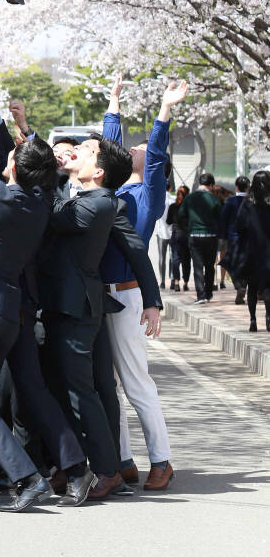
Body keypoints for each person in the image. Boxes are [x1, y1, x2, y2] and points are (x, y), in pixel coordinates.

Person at [0, 135, 88, 512]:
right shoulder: (41, 203)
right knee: (21, 390)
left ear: (12, 167)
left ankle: (27, 476)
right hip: (15, 309)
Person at [40, 134, 162, 502]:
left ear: (100, 171)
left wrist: (53, 173)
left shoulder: (96, 203)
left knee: (83, 392)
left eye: (89, 152)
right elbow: (138, 252)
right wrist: (153, 299)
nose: (80, 151)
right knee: (87, 390)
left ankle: (106, 472)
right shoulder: (95, 197)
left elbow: (52, 214)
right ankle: (92, 467)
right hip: (80, 305)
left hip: (78, 307)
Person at [100, 76, 185, 491]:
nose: (131, 149)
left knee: (135, 383)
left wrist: (164, 111)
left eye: (140, 150)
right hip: (101, 297)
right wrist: (113, 103)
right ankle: (122, 459)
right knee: (108, 387)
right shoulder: (112, 187)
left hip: (129, 294)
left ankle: (162, 460)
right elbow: (110, 151)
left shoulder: (149, 195)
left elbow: (152, 155)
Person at [234, 171, 270, 333]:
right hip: (268, 251)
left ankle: (253, 320)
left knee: (252, 287)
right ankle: (269, 317)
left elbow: (239, 226)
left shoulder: (247, 203)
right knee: (268, 286)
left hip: (251, 251)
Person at [179, 173, 222, 303]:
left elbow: (181, 215)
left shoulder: (190, 198)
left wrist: (189, 228)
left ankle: (200, 295)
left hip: (195, 236)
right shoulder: (214, 199)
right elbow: (221, 217)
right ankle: (208, 293)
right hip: (211, 236)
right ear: (211, 185)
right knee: (210, 265)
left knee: (197, 266)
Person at [219, 176, 250, 304]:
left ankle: (239, 285)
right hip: (249, 238)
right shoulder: (252, 201)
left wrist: (222, 237)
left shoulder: (230, 201)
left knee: (231, 263)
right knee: (247, 264)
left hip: (233, 238)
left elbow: (223, 219)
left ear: (236, 187)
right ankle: (244, 286)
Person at [168, 185, 191, 292]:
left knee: (175, 259)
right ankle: (186, 283)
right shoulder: (189, 207)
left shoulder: (173, 206)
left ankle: (176, 282)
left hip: (176, 234)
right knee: (186, 260)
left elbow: (168, 221)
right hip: (186, 235)